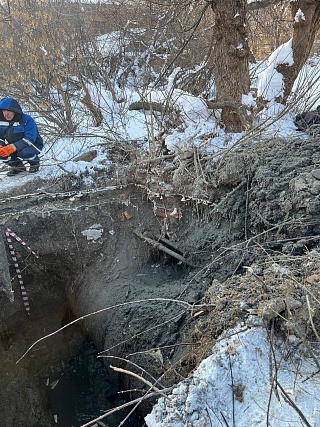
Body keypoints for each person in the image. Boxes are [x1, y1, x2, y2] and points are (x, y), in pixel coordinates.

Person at [0, 97, 43, 176]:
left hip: (32, 145)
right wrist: (1, 146)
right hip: (12, 146)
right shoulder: (1, 121)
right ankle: (18, 167)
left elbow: (30, 139)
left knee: (24, 153)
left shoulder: (26, 120)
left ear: (15, 111)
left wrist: (13, 147)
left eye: (9, 111)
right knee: (1, 153)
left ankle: (34, 164)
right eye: (4, 111)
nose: (6, 114)